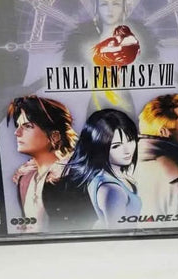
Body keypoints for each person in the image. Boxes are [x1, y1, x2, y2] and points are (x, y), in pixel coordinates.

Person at [7, 95, 95, 232]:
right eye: (18, 126)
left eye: (27, 126)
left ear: (55, 136)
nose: (17, 132)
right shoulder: (24, 180)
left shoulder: (75, 178)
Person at [64, 109, 141, 229]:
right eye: (116, 146)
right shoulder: (112, 189)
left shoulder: (108, 177)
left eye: (130, 140)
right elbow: (116, 233)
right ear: (99, 147)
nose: (128, 150)